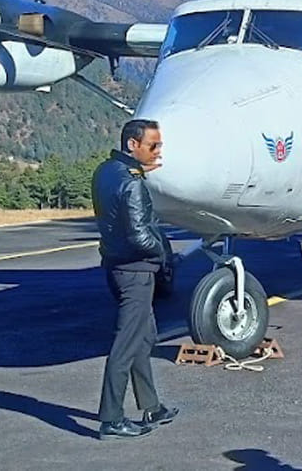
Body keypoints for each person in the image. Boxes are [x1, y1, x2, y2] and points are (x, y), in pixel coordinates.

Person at [93, 118, 179, 440]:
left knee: (143, 338)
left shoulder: (106, 171)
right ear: (133, 144)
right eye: (153, 145)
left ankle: (152, 406)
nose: (158, 151)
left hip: (115, 265)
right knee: (127, 343)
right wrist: (163, 253)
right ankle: (111, 419)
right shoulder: (132, 183)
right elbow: (141, 236)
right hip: (136, 272)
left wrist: (140, 171)